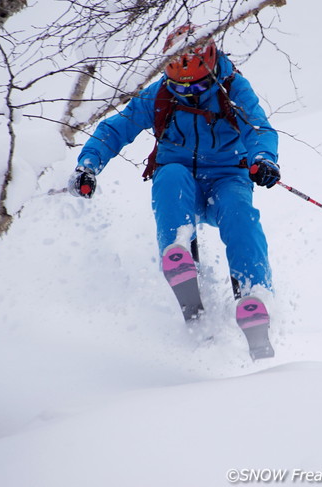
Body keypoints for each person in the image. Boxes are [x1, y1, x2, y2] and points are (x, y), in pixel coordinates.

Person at [68, 24, 280, 360]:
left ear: (211, 69)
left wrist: (263, 160)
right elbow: (116, 128)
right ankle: (179, 257)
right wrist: (89, 165)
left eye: (196, 85)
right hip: (181, 181)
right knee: (169, 177)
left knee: (241, 215)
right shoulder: (160, 92)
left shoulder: (233, 88)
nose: (189, 92)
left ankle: (253, 295)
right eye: (181, 86)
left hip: (227, 177)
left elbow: (259, 128)